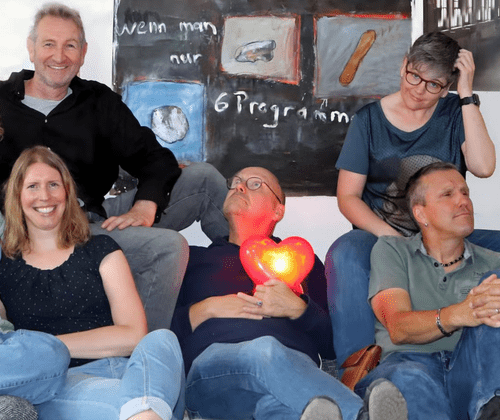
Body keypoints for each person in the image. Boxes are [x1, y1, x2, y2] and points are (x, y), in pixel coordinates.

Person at [0, 2, 230, 331]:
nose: (59, 56)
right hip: (27, 230)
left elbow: (154, 158)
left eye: (70, 46)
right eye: (49, 44)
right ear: (31, 48)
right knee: (168, 247)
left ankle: (250, 271)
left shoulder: (99, 102)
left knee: (204, 179)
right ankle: (146, 350)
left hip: (92, 221)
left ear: (83, 52)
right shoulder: (2, 101)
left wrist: (146, 204)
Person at [171, 166, 407, 420]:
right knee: (264, 351)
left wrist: (299, 309)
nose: (239, 186)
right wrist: (206, 308)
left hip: (290, 379)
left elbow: (332, 346)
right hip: (212, 376)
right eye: (236, 181)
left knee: (289, 411)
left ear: (278, 210)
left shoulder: (301, 262)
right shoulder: (191, 258)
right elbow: (157, 333)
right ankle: (360, 415)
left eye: (255, 184)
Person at [325, 31, 500, 370]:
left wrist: (467, 96)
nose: (419, 90)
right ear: (403, 65)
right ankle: (356, 368)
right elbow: (347, 197)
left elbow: (483, 167)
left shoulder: (455, 113)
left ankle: (481, 360)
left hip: (443, 233)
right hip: (382, 234)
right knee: (344, 253)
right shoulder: (368, 120)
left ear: (446, 88)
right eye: (414, 76)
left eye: (433, 85)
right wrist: (392, 238)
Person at [0, 146, 185, 420]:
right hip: (60, 386)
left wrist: (48, 346)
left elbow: (134, 335)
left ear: (67, 192)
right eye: (32, 186)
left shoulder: (100, 249)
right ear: (17, 196)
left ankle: (144, 410)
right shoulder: (5, 267)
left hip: (127, 373)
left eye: (53, 184)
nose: (45, 196)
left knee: (162, 340)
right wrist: (48, 354)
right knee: (137, 404)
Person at [354, 162, 500, 420]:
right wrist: (459, 314)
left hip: (473, 376)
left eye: (465, 193)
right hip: (409, 364)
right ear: (420, 214)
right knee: (407, 378)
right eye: (448, 194)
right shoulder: (393, 251)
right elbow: (398, 326)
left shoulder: (494, 262)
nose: (464, 201)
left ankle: (491, 409)